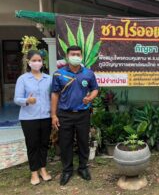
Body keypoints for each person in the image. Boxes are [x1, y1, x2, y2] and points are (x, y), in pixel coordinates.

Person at [51, 46, 99, 186]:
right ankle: (67, 170)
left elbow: (95, 89)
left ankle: (83, 168)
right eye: (73, 54)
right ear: (67, 56)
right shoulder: (58, 74)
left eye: (78, 54)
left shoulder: (88, 73)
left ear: (81, 56)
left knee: (84, 142)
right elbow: (54, 94)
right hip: (64, 114)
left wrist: (90, 98)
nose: (76, 56)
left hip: (83, 114)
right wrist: (53, 115)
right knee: (65, 143)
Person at [14, 50, 52, 185]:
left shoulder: (48, 79)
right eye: (34, 60)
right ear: (28, 62)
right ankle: (34, 172)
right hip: (28, 118)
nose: (37, 63)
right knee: (32, 145)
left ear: (43, 62)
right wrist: (27, 100)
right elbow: (16, 99)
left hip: (46, 116)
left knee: (43, 144)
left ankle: (43, 169)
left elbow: (52, 97)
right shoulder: (23, 79)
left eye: (39, 60)